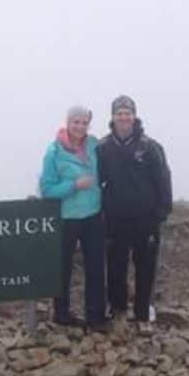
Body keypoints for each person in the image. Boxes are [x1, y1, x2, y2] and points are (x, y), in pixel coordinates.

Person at [97, 95, 172, 334]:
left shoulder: (150, 146)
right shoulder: (103, 147)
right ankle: (118, 310)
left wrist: (162, 210)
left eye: (127, 112)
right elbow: (99, 181)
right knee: (116, 266)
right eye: (119, 113)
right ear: (113, 117)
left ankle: (143, 313)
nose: (123, 117)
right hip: (115, 220)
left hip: (146, 219)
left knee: (146, 267)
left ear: (134, 116)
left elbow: (163, 179)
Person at [38, 106, 109, 332]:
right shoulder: (54, 152)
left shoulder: (94, 145)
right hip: (67, 218)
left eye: (84, 122)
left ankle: (96, 316)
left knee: (96, 266)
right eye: (76, 122)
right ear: (68, 123)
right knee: (63, 267)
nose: (80, 126)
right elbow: (47, 190)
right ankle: (61, 314)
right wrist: (74, 185)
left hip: (93, 215)